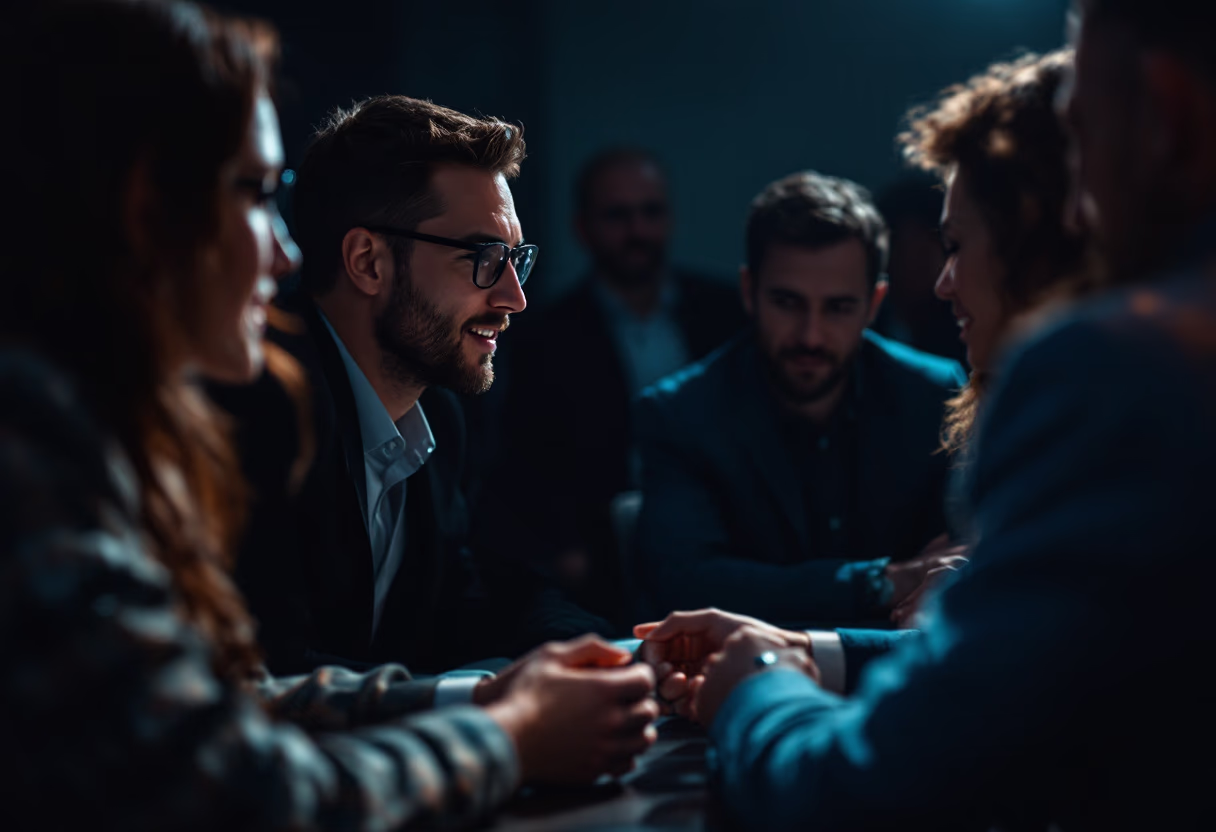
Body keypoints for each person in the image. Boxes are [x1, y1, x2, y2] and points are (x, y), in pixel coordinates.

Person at [0, 2, 657, 827]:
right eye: (253, 194)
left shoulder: (437, 416)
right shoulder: (40, 436)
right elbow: (245, 789)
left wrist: (576, 666)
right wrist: (510, 732)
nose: (282, 253)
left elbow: (234, 697)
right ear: (142, 205)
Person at [635, 4, 1216, 826]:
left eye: (954, 246)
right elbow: (1025, 659)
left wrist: (756, 686)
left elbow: (869, 791)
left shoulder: (1107, 371)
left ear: (1167, 114)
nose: (941, 287)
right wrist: (816, 650)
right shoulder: (684, 409)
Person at [210, 95, 617, 687]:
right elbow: (270, 666)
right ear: (368, 262)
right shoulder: (260, 407)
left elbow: (466, 596)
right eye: (482, 257)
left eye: (515, 260)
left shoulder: (439, 415)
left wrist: (626, 653)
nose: (513, 297)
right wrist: (488, 713)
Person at [633, 171, 967, 628]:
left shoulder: (934, 393)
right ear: (749, 292)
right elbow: (685, 586)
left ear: (874, 303)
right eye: (788, 303)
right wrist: (882, 581)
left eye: (838, 307)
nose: (810, 336)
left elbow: (964, 558)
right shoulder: (679, 413)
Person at [479, 148, 746, 624]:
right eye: (618, 215)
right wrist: (563, 548)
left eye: (650, 212)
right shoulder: (544, 336)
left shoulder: (726, 314)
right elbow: (526, 457)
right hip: (602, 560)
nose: (637, 231)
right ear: (583, 228)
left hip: (725, 533)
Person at [871, 175, 967, 364]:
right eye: (904, 252)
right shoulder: (867, 328)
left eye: (924, 254)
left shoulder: (967, 333)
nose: (912, 266)